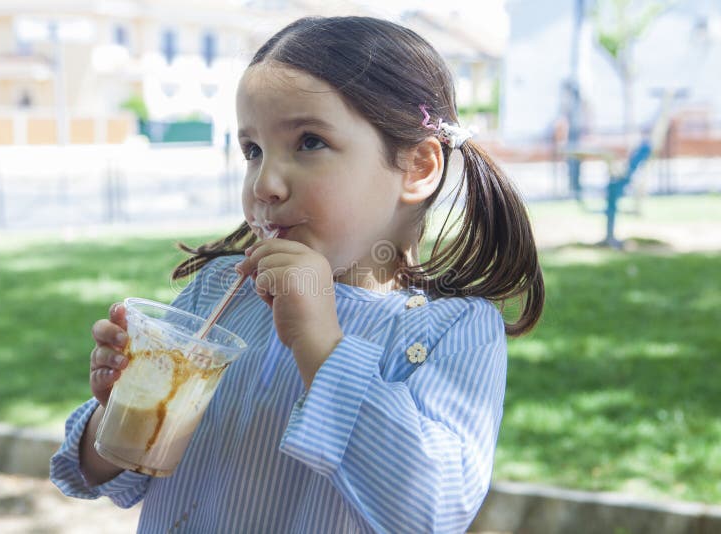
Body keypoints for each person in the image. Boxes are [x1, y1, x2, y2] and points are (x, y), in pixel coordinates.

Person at [51, 15, 544, 533]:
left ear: (418, 168)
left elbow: (432, 513)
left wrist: (321, 343)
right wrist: (121, 408)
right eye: (252, 150)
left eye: (309, 142)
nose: (265, 183)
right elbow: (97, 471)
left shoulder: (450, 330)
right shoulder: (225, 289)